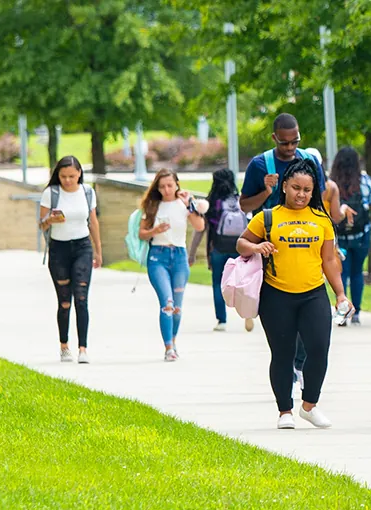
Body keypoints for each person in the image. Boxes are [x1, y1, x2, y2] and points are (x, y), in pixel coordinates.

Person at [239, 158, 351, 430]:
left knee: (319, 349)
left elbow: (329, 260)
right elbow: (242, 243)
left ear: (313, 192)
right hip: (276, 295)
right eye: (296, 188)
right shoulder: (267, 217)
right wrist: (257, 248)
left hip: (313, 294)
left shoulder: (321, 220)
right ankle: (284, 411)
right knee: (282, 353)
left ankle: (309, 406)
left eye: (307, 190)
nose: (301, 194)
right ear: (285, 187)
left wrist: (340, 294)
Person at [238, 113, 338, 375]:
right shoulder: (260, 165)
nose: (291, 148)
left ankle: (299, 365)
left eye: (295, 141)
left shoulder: (310, 160)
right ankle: (288, 363)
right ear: (274, 138)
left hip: (306, 239)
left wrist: (326, 235)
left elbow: (320, 198)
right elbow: (244, 205)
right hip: (271, 245)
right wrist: (266, 192)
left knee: (310, 316)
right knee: (283, 319)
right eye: (285, 143)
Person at [38, 156, 103, 364]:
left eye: (72, 176)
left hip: (82, 247)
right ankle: (64, 345)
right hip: (59, 250)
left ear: (79, 174)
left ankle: (83, 348)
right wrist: (50, 219)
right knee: (65, 301)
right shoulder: (51, 193)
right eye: (63, 176)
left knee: (81, 298)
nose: (67, 181)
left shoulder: (87, 192)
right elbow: (41, 225)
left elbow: (93, 222)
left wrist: (98, 251)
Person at [138, 169, 208, 361]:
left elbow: (200, 226)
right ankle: (168, 348)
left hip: (179, 256)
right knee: (167, 303)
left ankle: (173, 341)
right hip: (157, 257)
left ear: (177, 184)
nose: (166, 190)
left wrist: (189, 205)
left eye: (170, 185)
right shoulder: (153, 205)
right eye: (162, 186)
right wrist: (155, 230)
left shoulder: (184, 204)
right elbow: (142, 233)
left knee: (177, 307)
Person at [328, 147, 371, 327]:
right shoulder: (364, 180)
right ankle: (356, 311)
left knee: (341, 272)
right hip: (360, 235)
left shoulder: (331, 183)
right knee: (357, 273)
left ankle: (342, 314)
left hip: (338, 237)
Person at [202, 167, 249, 332]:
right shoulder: (240, 200)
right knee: (243, 282)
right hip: (239, 247)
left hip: (218, 248)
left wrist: (206, 252)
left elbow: (206, 230)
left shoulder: (212, 203)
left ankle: (221, 320)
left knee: (217, 283)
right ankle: (248, 312)